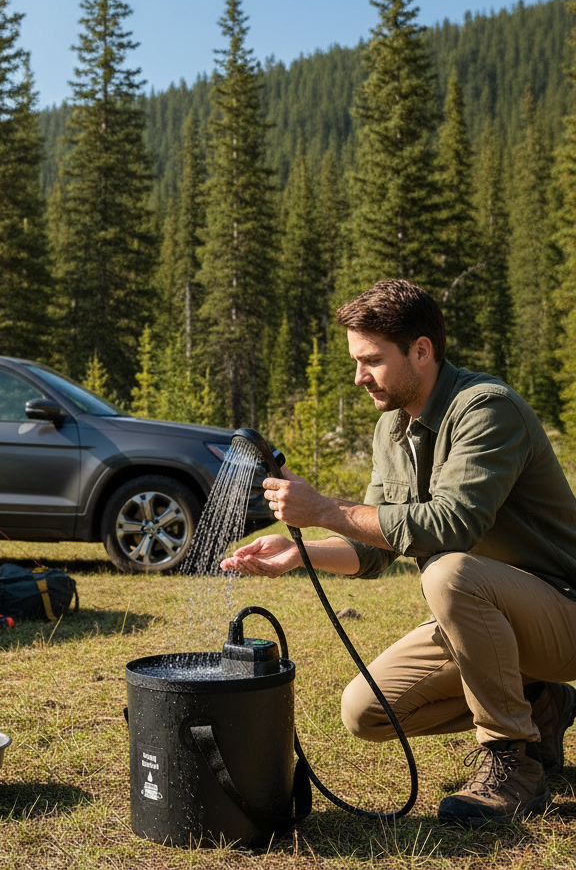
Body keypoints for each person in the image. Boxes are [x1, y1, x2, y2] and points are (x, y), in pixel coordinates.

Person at [221, 279, 576, 825]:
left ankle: (513, 760)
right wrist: (300, 553)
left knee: (448, 573)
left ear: (422, 350)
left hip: (564, 612)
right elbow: (372, 550)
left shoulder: (486, 408)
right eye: (356, 360)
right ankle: (541, 706)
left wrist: (321, 507)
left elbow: (453, 526)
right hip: (492, 616)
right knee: (364, 713)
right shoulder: (392, 428)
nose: (358, 376)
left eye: (371, 361)